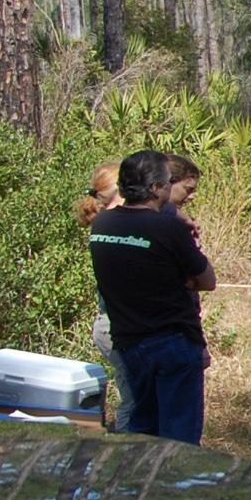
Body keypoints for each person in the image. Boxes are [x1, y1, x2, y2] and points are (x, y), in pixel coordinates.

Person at [87, 149, 217, 444]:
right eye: (168, 182)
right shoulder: (167, 228)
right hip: (172, 341)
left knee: (142, 428)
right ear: (156, 188)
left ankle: (138, 485)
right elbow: (207, 280)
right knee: (179, 437)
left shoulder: (102, 225)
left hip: (129, 341)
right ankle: (171, 488)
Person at [75, 163, 134, 431]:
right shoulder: (111, 226)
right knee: (134, 397)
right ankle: (126, 445)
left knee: (134, 391)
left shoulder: (110, 222)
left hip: (115, 324)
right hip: (114, 326)